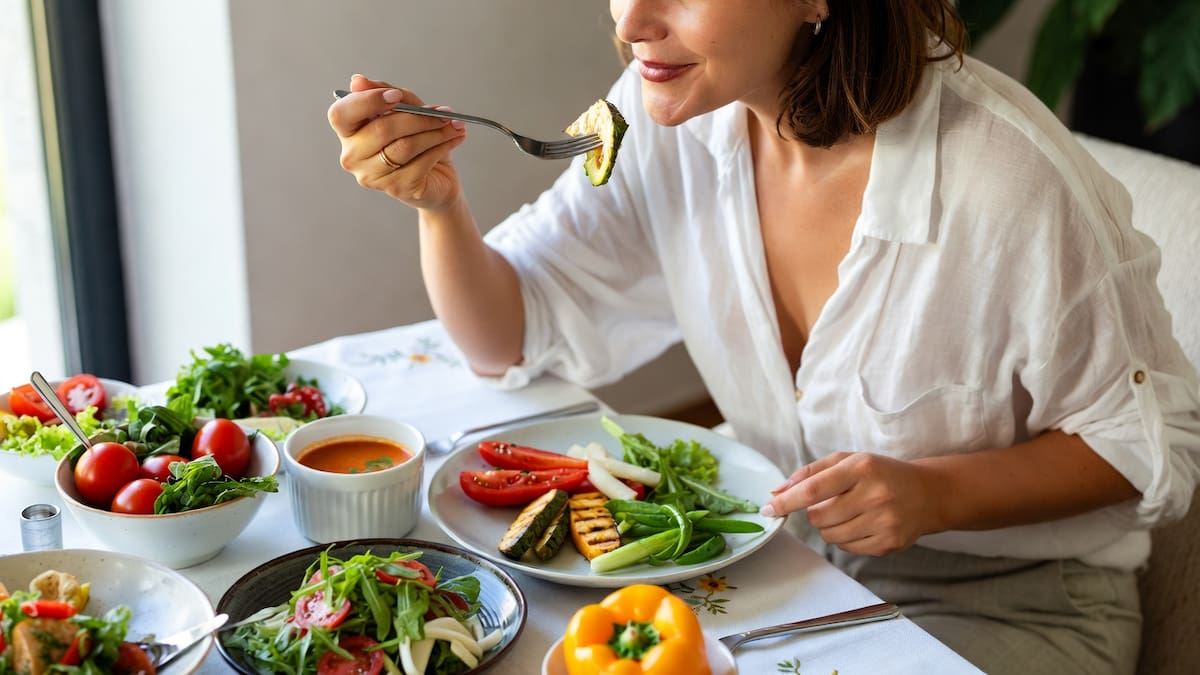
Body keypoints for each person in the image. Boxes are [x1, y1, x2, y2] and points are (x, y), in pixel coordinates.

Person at [328, 1, 1200, 672]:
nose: (631, 24)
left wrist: (935, 494)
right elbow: (505, 335)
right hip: (776, 568)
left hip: (1007, 605)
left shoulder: (1006, 178)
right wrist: (439, 204)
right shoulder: (665, 113)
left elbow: (1154, 441)